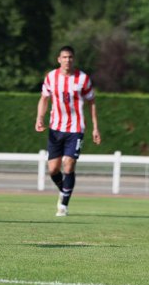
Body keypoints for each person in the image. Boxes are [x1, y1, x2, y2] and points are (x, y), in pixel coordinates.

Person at [35, 45, 101, 216]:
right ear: (59, 59)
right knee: (53, 169)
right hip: (55, 128)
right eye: (64, 57)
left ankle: (63, 205)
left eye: (70, 57)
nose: (67, 60)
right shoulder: (51, 77)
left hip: (75, 128)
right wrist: (40, 118)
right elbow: (44, 98)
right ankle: (64, 190)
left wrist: (95, 127)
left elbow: (91, 102)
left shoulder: (83, 79)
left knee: (69, 165)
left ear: (74, 59)